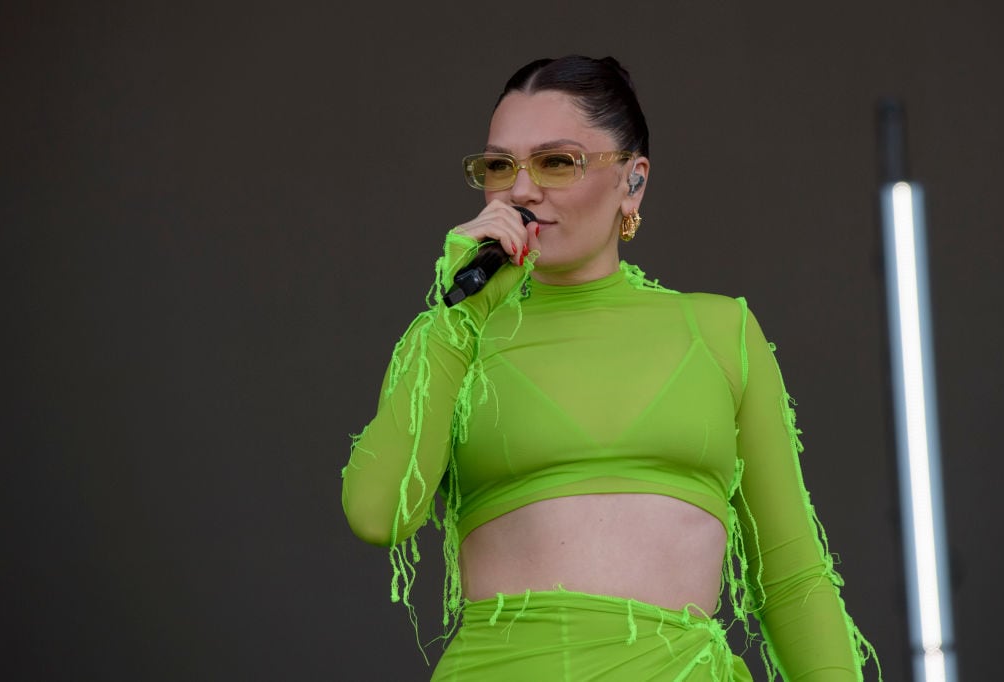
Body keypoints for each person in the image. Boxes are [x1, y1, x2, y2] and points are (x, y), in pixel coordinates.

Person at [341, 55, 880, 680]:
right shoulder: (453, 336)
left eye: (555, 162)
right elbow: (377, 512)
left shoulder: (717, 331)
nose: (519, 189)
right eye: (498, 166)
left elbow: (791, 576)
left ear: (634, 180)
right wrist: (458, 315)